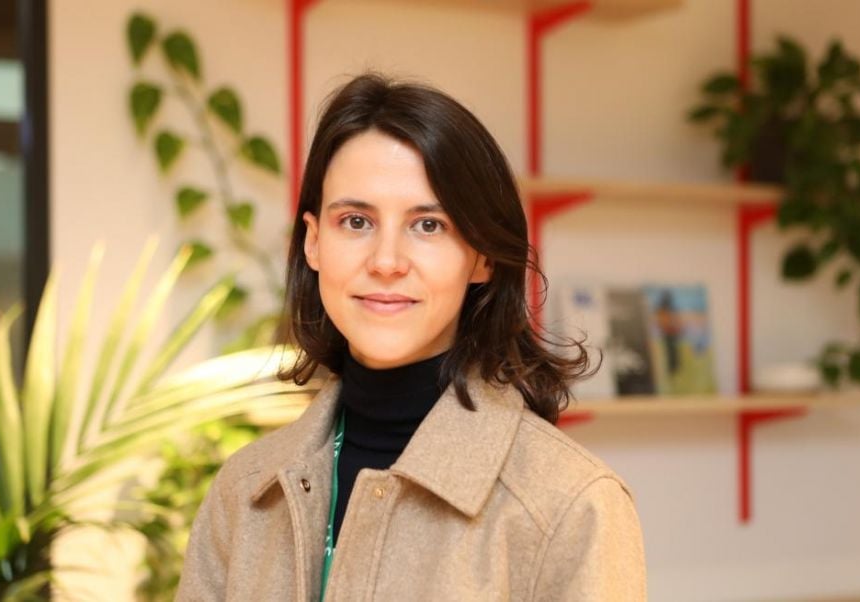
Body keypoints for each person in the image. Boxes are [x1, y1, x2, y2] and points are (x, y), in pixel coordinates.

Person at [177, 72, 646, 601]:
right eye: (356, 221)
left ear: (483, 256)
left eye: (428, 226)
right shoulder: (242, 492)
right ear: (313, 243)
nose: (385, 262)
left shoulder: (571, 505)